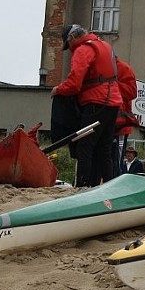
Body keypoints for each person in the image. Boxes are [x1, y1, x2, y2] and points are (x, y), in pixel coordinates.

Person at [52, 24, 122, 187]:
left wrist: (58, 90)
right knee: (104, 149)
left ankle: (83, 187)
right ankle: (109, 187)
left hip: (96, 101)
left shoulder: (83, 50)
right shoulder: (104, 45)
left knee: (84, 146)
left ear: (72, 38)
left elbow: (74, 84)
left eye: (68, 44)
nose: (69, 49)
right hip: (113, 101)